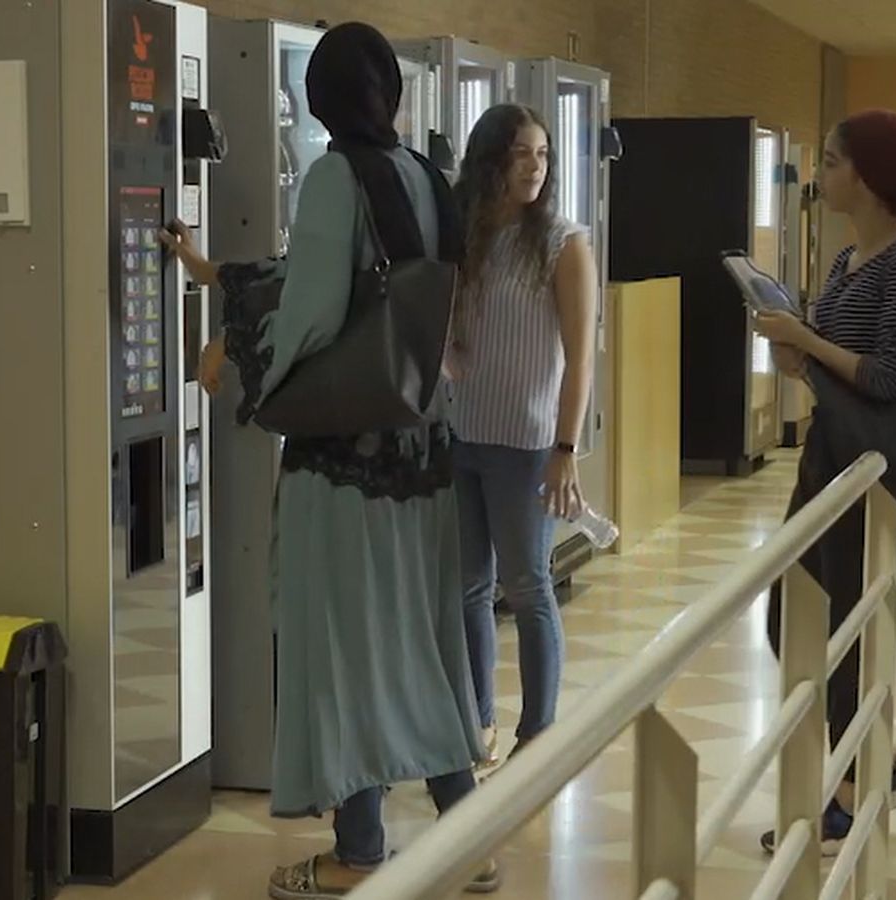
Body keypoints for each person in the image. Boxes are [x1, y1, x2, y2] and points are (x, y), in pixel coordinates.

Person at [160, 23, 499, 898]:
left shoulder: (333, 177)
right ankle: (468, 839)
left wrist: (234, 349)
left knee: (340, 649)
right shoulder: (425, 174)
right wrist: (217, 273)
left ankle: (358, 851)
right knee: (421, 646)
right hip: (418, 450)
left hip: (342, 461)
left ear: (319, 97)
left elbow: (309, 312)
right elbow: (362, 287)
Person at [753, 108, 896, 855]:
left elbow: (888, 373)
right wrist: (795, 355)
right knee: (790, 620)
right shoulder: (847, 260)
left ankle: (845, 797)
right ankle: (881, 764)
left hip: (872, 477)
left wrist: (806, 339)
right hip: (825, 460)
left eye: (833, 161)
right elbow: (838, 372)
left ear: (866, 179)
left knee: (842, 632)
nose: (822, 174)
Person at [447, 104, 599, 766]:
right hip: (463, 434)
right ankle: (475, 721)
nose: (534, 167)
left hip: (529, 443)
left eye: (542, 155)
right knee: (467, 587)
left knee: (529, 586)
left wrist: (565, 451)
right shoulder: (468, 237)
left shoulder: (565, 243)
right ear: (491, 163)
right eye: (520, 155)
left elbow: (580, 356)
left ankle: (538, 736)